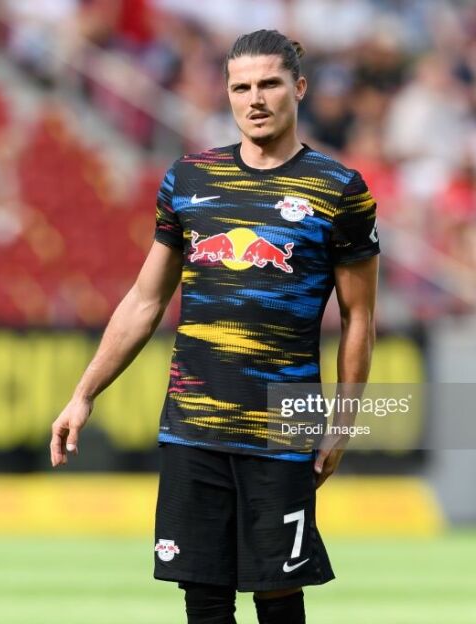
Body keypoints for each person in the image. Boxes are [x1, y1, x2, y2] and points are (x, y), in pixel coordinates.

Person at [50, 29, 380, 624]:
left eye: (269, 84)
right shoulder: (189, 180)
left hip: (283, 425)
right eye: (240, 87)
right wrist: (84, 392)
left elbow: (359, 316)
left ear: (299, 88)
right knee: (202, 599)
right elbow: (145, 299)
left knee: (278, 598)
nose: (255, 99)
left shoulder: (338, 191)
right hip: (192, 426)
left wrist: (342, 423)